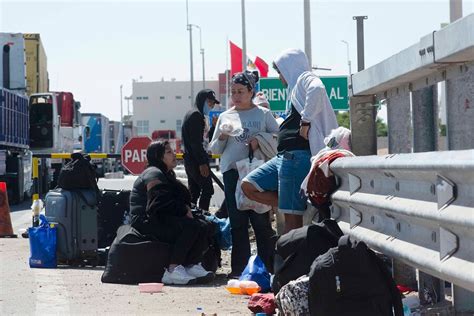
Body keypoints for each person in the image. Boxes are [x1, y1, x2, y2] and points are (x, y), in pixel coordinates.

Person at [242, 48, 338, 234]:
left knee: (292, 224)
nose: (279, 77)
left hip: (295, 157)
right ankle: (297, 200)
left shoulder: (304, 78)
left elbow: (317, 89)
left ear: (290, 67)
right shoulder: (294, 90)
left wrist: (306, 121)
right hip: (283, 158)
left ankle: (293, 259)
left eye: (280, 72)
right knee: (248, 186)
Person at [209, 70, 279, 278]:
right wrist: (222, 135)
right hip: (233, 174)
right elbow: (214, 149)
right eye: (233, 92)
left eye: (241, 91)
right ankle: (238, 269)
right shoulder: (225, 116)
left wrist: (260, 139)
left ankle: (268, 267)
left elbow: (278, 137)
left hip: (259, 173)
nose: (236, 96)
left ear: (251, 91)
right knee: (237, 223)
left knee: (261, 221)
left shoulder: (263, 114)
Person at [130, 140, 213, 285]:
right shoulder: (153, 173)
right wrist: (183, 210)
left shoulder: (167, 174)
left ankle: (190, 265)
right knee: (190, 226)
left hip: (159, 218)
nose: (174, 154)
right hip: (145, 222)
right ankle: (173, 270)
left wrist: (188, 209)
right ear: (158, 156)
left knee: (204, 225)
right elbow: (157, 204)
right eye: (169, 152)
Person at [181, 89, 220, 211]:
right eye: (209, 102)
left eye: (213, 103)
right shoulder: (196, 115)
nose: (211, 106)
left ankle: (191, 219)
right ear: (202, 101)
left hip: (191, 160)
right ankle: (203, 217)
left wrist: (214, 127)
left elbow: (203, 140)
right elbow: (196, 144)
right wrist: (202, 163)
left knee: (194, 193)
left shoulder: (196, 114)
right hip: (196, 161)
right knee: (208, 189)